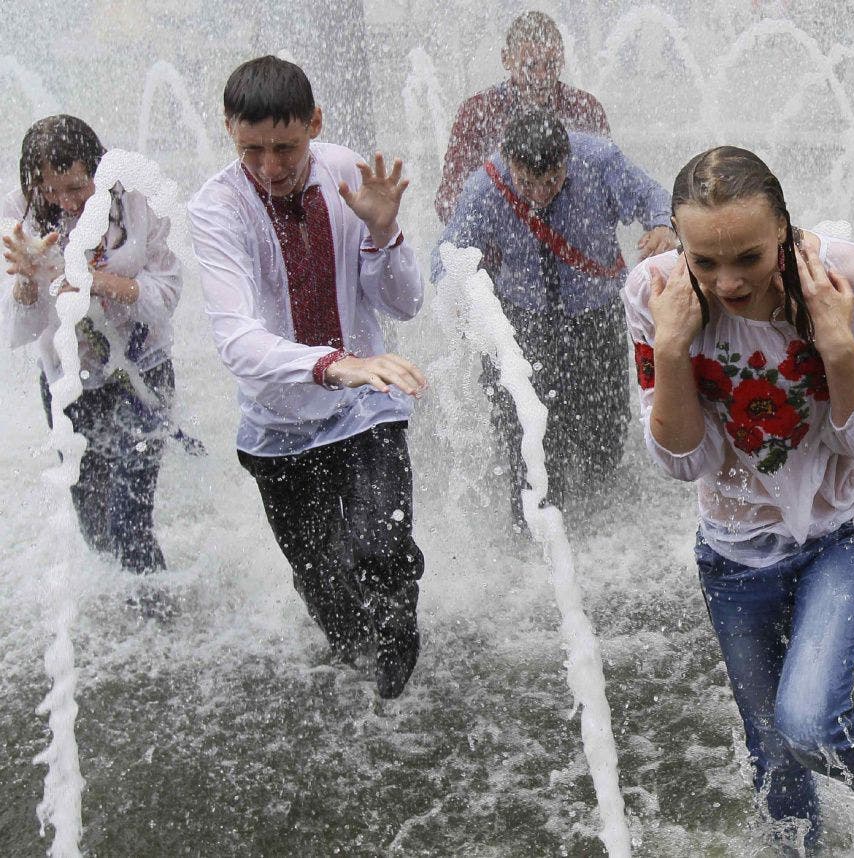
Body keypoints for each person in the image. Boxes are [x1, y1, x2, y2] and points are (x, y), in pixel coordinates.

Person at [622, 147, 854, 856]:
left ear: (783, 230)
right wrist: (674, 350)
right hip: (735, 553)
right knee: (773, 755)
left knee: (807, 722)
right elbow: (686, 462)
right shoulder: (653, 293)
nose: (727, 281)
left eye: (747, 256)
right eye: (704, 262)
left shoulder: (849, 277)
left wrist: (835, 342)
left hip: (848, 529)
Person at [188, 56, 427, 699]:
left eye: (286, 147)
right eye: (253, 148)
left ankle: (401, 676)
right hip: (278, 423)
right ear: (230, 130)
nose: (270, 166)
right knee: (324, 585)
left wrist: (383, 230)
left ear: (314, 124)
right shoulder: (217, 208)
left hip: (365, 406)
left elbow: (405, 303)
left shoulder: (350, 174)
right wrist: (332, 364)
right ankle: (354, 663)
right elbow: (238, 341)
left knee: (384, 547)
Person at [438, 110, 673, 528]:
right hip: (519, 322)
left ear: (567, 160)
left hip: (594, 314)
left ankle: (600, 517)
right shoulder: (486, 186)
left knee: (605, 427)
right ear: (510, 164)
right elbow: (448, 254)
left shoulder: (598, 161)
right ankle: (533, 527)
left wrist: (660, 227)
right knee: (524, 430)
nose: (540, 193)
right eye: (527, 182)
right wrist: (458, 295)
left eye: (551, 181)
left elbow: (656, 197)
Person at [2, 114, 182, 584]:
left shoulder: (136, 199)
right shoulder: (18, 215)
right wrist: (27, 279)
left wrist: (96, 282)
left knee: (128, 525)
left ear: (97, 171)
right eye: (52, 191)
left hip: (143, 374)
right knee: (95, 528)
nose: (67, 202)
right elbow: (18, 329)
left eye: (77, 188)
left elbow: (166, 295)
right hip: (68, 384)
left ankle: (158, 625)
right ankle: (128, 620)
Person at [434, 11, 609, 223]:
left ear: (563, 60)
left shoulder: (585, 110)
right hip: (498, 244)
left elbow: (609, 186)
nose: (542, 76)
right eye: (531, 65)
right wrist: (502, 224)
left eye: (551, 65)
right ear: (506, 58)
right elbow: (449, 200)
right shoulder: (478, 113)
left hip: (570, 243)